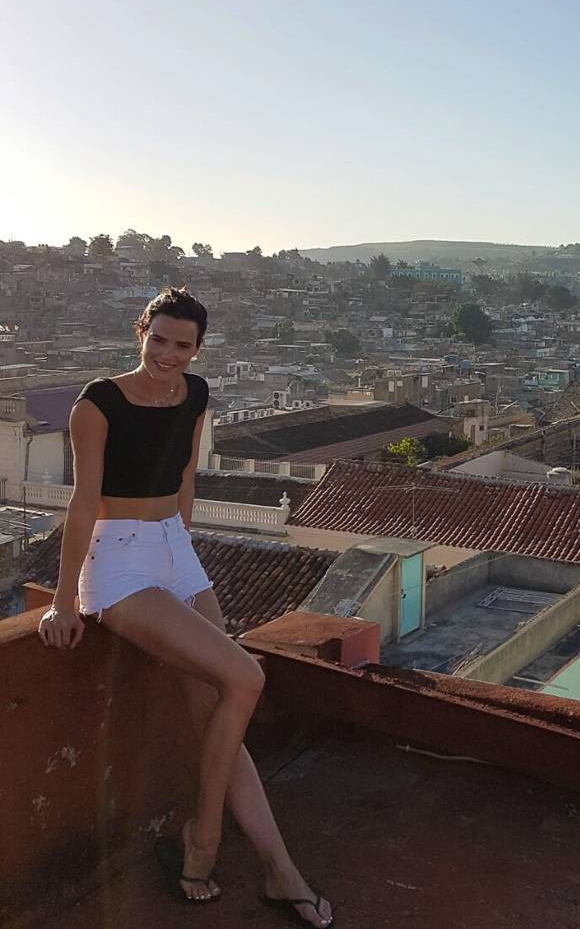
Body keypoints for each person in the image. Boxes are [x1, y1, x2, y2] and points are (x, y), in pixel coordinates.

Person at [37, 287, 333, 927]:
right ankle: (205, 838)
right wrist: (63, 603)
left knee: (220, 717)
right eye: (159, 340)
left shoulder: (195, 394)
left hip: (175, 549)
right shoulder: (97, 403)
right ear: (140, 332)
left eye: (183, 345)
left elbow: (185, 477)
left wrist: (183, 548)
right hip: (118, 564)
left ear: (198, 349)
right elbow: (83, 503)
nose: (167, 355)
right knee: (245, 676)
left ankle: (281, 871)